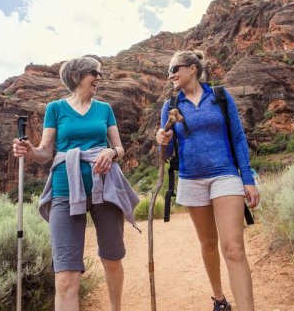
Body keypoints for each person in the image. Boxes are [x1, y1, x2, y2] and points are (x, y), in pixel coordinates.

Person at [13, 56, 139, 311]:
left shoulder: (104, 108)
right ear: (76, 76)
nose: (99, 78)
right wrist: (30, 150)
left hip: (105, 189)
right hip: (64, 190)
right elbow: (45, 153)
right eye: (95, 73)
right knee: (65, 274)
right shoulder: (56, 108)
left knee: (112, 259)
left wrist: (111, 153)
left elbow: (119, 147)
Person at [156, 50, 260, 311]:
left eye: (174, 69)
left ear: (192, 69)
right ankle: (220, 300)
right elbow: (167, 154)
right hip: (191, 179)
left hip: (225, 174)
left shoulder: (220, 96)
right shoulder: (170, 106)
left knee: (233, 247)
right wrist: (163, 142)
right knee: (208, 243)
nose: (170, 75)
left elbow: (238, 137)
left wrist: (247, 178)